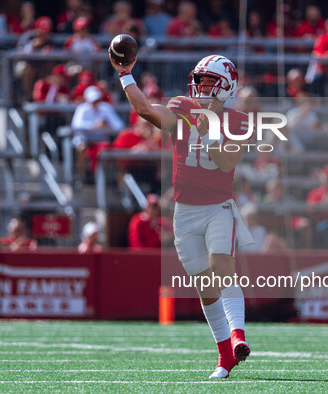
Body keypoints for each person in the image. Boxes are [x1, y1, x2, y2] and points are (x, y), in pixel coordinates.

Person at [110, 52, 254, 378]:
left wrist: (207, 132)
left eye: (210, 81)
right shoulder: (182, 108)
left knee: (222, 266)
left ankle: (238, 336)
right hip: (185, 212)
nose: (202, 87)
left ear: (227, 86)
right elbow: (145, 110)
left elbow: (227, 164)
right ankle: (224, 358)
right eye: (199, 80)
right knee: (205, 285)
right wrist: (125, 74)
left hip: (218, 207)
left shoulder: (239, 120)